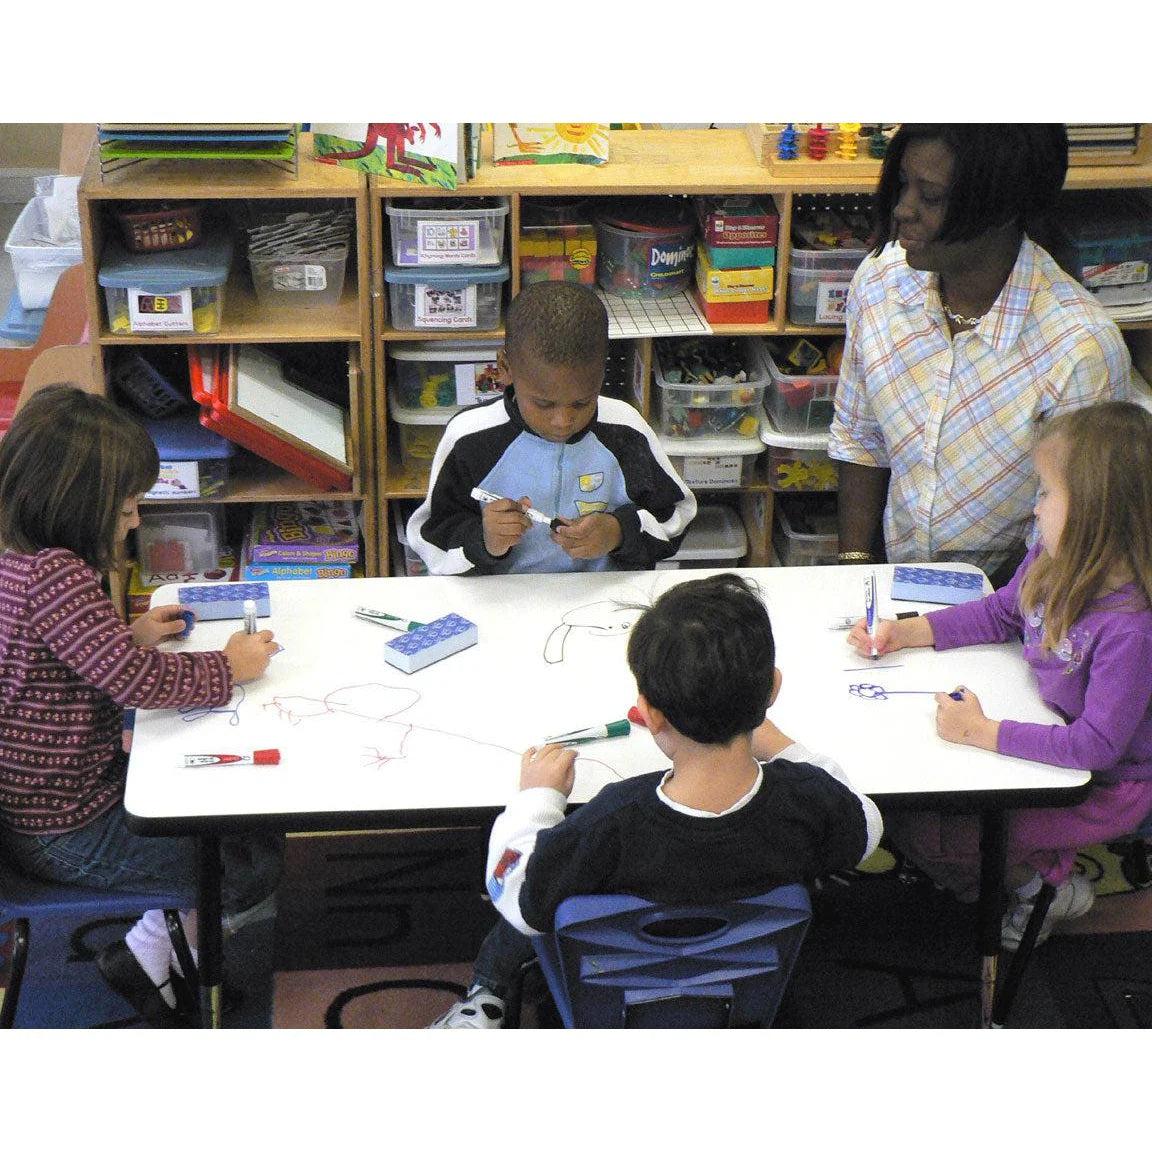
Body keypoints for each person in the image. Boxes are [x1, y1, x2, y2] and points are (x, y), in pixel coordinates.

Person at [430, 573, 883, 1027]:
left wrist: (538, 797)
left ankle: (485, 997)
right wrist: (785, 747)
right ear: (773, 690)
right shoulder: (807, 800)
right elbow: (868, 824)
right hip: (743, 996)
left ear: (648, 713)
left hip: (611, 996)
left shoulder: (610, 820)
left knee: (548, 884)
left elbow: (513, 890)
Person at [0, 386, 283, 1025]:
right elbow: (137, 685)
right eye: (126, 506)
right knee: (247, 860)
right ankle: (156, 952)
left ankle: (151, 949)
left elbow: (63, 663)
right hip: (63, 828)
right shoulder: (59, 578)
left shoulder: (22, 564)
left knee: (234, 812)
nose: (133, 522)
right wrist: (228, 666)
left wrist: (131, 634)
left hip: (50, 807)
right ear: (78, 506)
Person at [848, 401, 1152, 949]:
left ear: (1096, 515)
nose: (1035, 508)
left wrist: (980, 731)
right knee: (919, 814)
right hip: (1047, 731)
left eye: (1047, 494)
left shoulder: (1131, 630)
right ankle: (1008, 872)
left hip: (1107, 787)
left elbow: (1096, 747)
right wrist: (907, 632)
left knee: (935, 834)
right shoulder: (1050, 559)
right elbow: (1001, 613)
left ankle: (1045, 889)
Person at [829, 124, 1133, 588]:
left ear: (1001, 209)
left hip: (1017, 597)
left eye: (931, 196)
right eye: (903, 184)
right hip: (897, 576)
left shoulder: (1080, 348)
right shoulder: (880, 283)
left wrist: (963, 614)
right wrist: (856, 569)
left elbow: (1065, 536)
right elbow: (859, 436)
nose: (902, 209)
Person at [406, 281, 697, 575]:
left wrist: (620, 531)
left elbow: (676, 516)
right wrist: (482, 541)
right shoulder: (469, 437)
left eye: (582, 402)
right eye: (544, 404)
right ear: (504, 368)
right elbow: (430, 538)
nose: (563, 421)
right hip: (502, 595)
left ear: (602, 373)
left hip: (603, 593)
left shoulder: (626, 430)